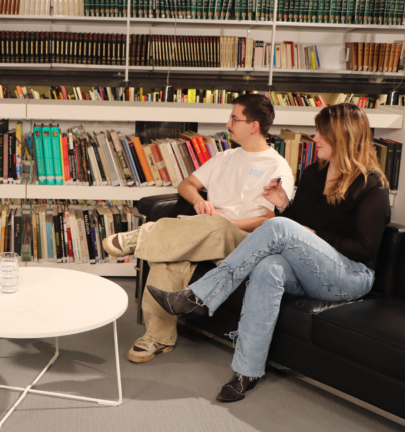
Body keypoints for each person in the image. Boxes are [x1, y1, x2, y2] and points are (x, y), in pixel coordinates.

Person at [147, 103, 391, 403]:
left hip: (350, 276)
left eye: (321, 133)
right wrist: (283, 204)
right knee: (268, 267)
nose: (314, 138)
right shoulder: (315, 173)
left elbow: (366, 247)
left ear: (343, 136)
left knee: (276, 226)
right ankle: (246, 371)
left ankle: (198, 297)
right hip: (314, 270)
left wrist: (313, 235)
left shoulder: (372, 184)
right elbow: (301, 222)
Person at [102, 94, 294, 363]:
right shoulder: (225, 157)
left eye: (234, 119)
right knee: (167, 258)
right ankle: (159, 337)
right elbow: (186, 184)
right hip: (206, 231)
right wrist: (198, 200)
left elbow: (269, 220)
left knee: (218, 224)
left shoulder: (277, 167)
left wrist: (224, 224)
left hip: (244, 241)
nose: (228, 124)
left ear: (254, 126)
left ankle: (139, 238)